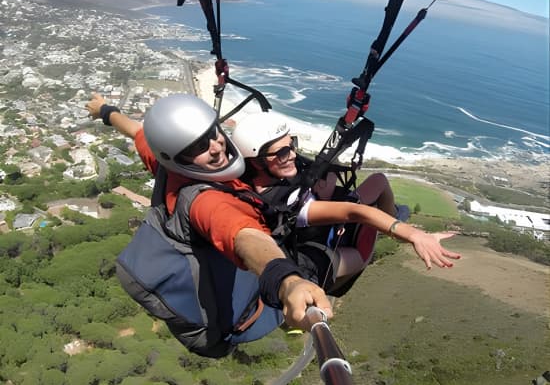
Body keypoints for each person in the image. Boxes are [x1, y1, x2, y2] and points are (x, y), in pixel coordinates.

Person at [85, 92, 333, 330]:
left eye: (214, 133)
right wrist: (287, 281)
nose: (216, 147)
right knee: (332, 255)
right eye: (198, 147)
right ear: (178, 157)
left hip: (214, 278)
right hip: (245, 311)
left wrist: (106, 111)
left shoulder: (167, 165)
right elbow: (243, 235)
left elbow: (136, 131)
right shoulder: (207, 202)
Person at [230, 111, 461, 279]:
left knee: (378, 180)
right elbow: (355, 211)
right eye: (281, 152)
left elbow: (313, 169)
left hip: (315, 224)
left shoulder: (263, 176)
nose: (291, 154)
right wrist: (414, 235)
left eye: (292, 145)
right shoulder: (285, 201)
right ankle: (395, 225)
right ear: (257, 161)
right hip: (317, 252)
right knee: (366, 238)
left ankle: (393, 217)